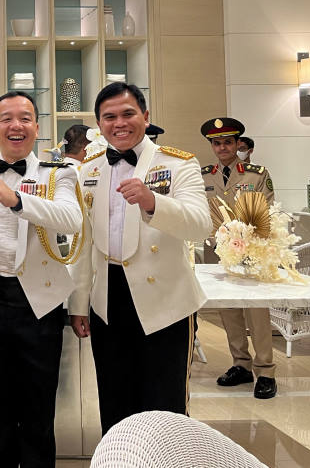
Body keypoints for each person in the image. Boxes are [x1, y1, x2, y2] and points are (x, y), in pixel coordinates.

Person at [69, 82, 211, 435]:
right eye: (109, 117)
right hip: (108, 300)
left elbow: (201, 226)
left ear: (145, 117)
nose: (120, 123)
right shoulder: (89, 170)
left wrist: (153, 202)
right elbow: (85, 245)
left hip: (164, 300)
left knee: (165, 407)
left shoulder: (178, 164)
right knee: (116, 401)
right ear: (99, 125)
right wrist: (79, 303)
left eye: (128, 114)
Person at [0, 91, 82, 467]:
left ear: (36, 128)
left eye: (25, 118)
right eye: (7, 118)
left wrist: (15, 199)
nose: (16, 125)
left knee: (37, 406)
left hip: (39, 302)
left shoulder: (59, 172)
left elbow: (71, 219)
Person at [200, 117, 277, 399]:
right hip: (217, 250)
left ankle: (266, 370)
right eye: (217, 143)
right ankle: (241, 365)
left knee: (257, 311)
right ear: (212, 146)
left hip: (252, 250)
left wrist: (246, 238)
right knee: (228, 310)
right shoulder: (203, 175)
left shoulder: (256, 174)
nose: (222, 147)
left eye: (227, 142)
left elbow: (266, 211)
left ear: (237, 144)